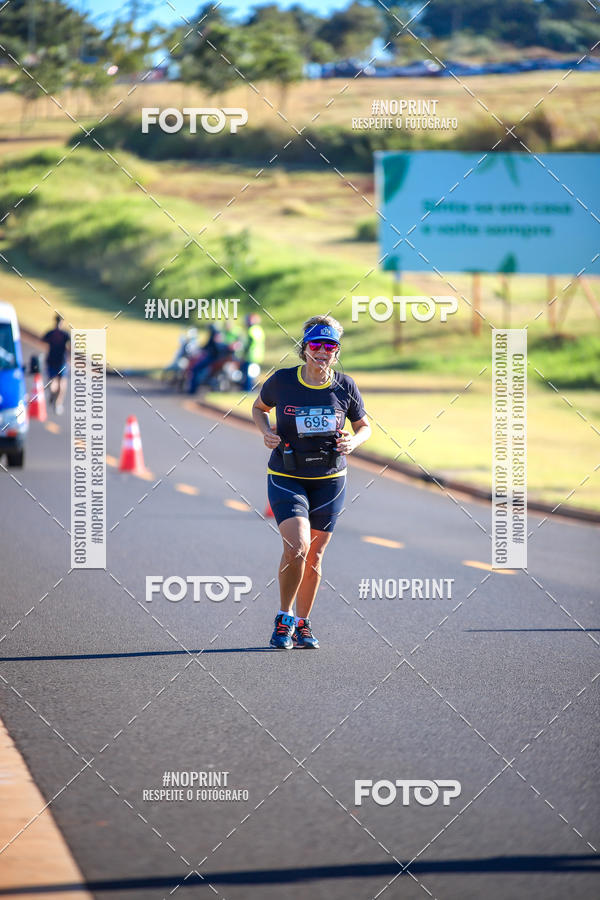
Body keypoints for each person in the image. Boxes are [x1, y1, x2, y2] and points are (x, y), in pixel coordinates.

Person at [252, 315, 371, 650]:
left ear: (336, 351)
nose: (322, 352)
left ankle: (303, 624)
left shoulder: (345, 386)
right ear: (304, 349)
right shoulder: (283, 381)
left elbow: (365, 426)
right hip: (287, 475)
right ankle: (284, 617)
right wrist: (266, 432)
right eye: (316, 345)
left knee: (316, 554)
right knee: (298, 546)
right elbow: (259, 408)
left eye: (330, 346)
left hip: (330, 479)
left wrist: (354, 442)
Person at [42, 315, 70, 414]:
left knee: (54, 383)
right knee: (61, 383)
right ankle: (57, 403)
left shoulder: (51, 333)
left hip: (53, 361)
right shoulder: (65, 334)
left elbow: (43, 340)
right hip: (60, 362)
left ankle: (55, 399)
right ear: (62, 322)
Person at [241, 313, 265, 391]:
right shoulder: (259, 329)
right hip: (259, 355)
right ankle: (253, 388)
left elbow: (249, 342)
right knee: (254, 374)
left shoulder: (251, 329)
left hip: (251, 355)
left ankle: (248, 389)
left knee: (249, 374)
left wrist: (244, 352)